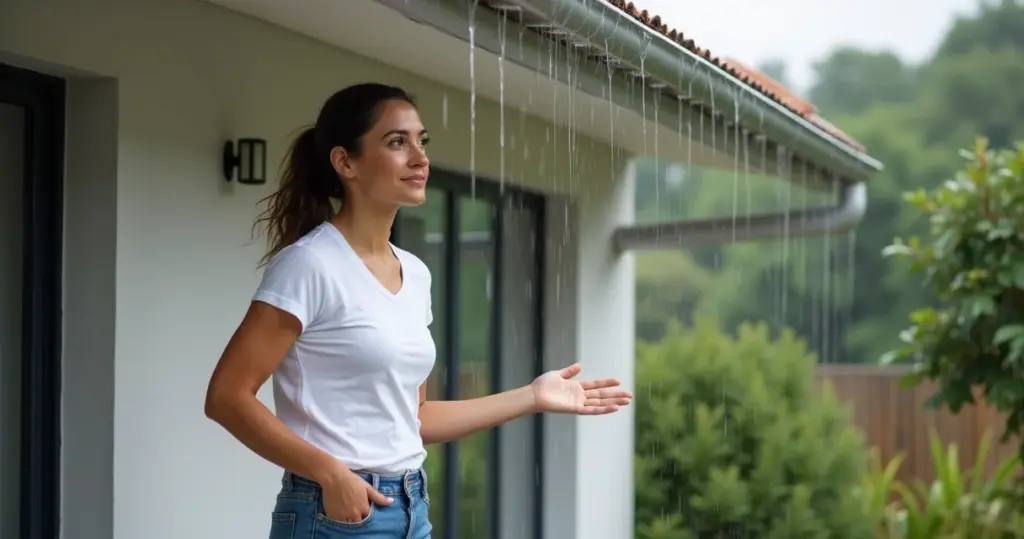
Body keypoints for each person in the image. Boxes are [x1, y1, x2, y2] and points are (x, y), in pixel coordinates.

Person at [203, 82, 633, 539]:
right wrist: (329, 473)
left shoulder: (415, 273)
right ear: (345, 162)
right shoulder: (309, 264)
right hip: (336, 515)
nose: (419, 158)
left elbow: (415, 418)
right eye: (397, 142)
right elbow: (227, 396)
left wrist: (532, 396)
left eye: (421, 141)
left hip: (412, 509)